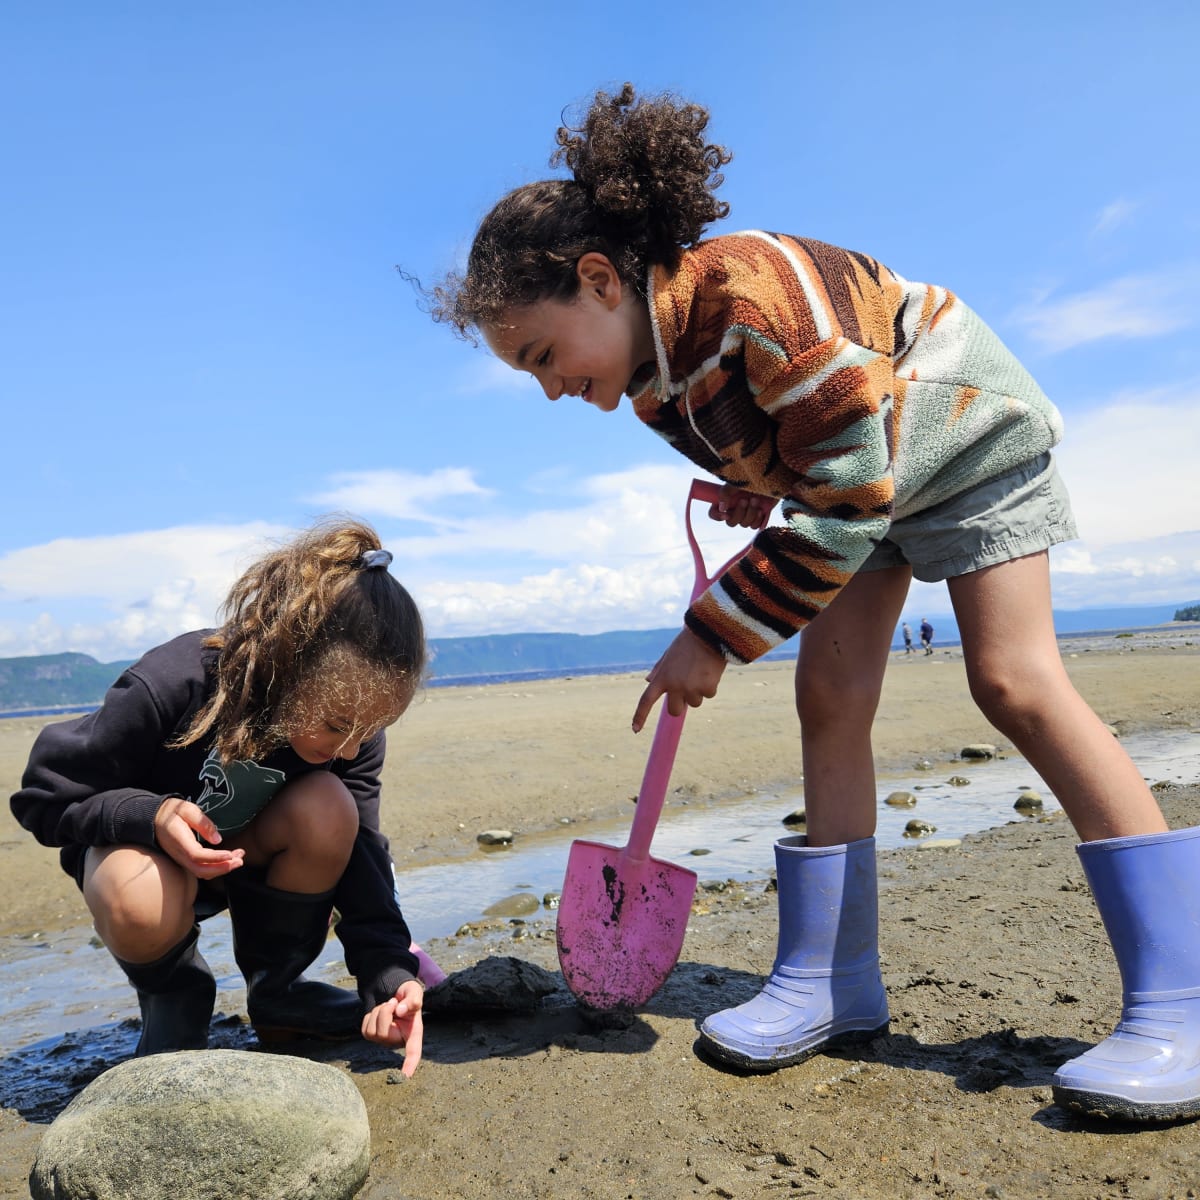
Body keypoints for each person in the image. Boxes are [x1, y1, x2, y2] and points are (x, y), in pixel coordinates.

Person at [430, 83, 1200, 1122]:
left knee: (1014, 682)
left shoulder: (758, 303)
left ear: (601, 280)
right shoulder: (656, 382)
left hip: (964, 436)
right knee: (829, 700)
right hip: (866, 472)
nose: (549, 387)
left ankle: (1182, 1002)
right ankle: (834, 979)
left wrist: (712, 635)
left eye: (540, 357)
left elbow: (846, 493)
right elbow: (805, 466)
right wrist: (762, 482)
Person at [10, 519, 440, 1076]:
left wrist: (388, 975)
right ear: (291, 663)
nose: (351, 747)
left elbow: (363, 858)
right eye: (337, 726)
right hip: (153, 865)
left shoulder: (351, 730)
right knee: (131, 887)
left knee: (332, 808)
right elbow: (43, 796)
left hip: (256, 856)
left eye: (371, 729)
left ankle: (278, 992)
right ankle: (176, 999)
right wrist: (150, 815)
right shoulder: (175, 682)